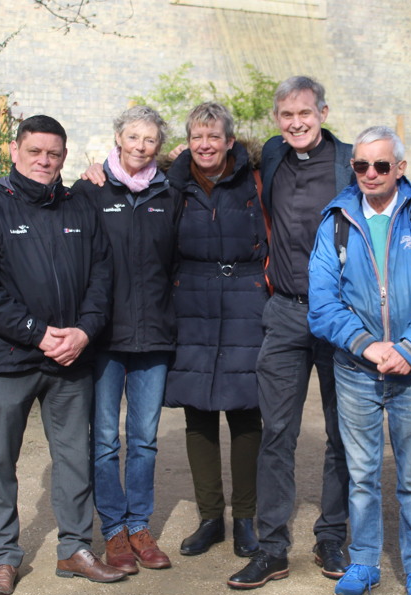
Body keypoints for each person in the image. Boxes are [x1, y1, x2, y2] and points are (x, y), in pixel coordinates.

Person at [0, 115, 125, 595]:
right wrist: (36, 333)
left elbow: (101, 279)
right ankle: (3, 557)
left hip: (70, 359)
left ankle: (74, 548)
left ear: (65, 157)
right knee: (0, 461)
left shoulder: (80, 208)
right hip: (10, 358)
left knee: (75, 458)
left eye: (53, 153)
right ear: (15, 151)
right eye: (35, 152)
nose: (44, 161)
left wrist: (84, 333)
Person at [308, 126, 411, 595]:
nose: (370, 173)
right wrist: (367, 345)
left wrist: (409, 350)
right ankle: (364, 561)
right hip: (356, 370)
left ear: (400, 168)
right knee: (362, 475)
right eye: (361, 165)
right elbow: (322, 301)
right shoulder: (337, 220)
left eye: (381, 165)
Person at [227, 76, 354, 590]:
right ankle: (273, 546)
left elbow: (394, 190)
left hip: (342, 316)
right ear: (276, 119)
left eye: (305, 113)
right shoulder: (273, 155)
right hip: (284, 311)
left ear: (323, 111)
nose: (296, 123)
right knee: (276, 431)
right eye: (286, 115)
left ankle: (331, 534)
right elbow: (207, 159)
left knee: (341, 432)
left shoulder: (350, 161)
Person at [71, 105, 180, 574]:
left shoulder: (170, 191)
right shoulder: (89, 190)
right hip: (104, 336)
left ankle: (139, 525)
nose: (140, 146)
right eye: (133, 137)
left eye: (150, 140)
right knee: (104, 441)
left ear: (159, 146)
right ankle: (113, 530)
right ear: (117, 137)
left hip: (154, 334)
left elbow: (177, 259)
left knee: (144, 439)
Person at [162, 102, 267, 559]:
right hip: (191, 299)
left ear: (229, 141)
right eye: (197, 137)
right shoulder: (172, 182)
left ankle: (245, 519)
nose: (205, 145)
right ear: (188, 142)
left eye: (214, 137)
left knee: (246, 411)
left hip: (247, 296)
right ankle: (211, 518)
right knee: (198, 411)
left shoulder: (256, 179)